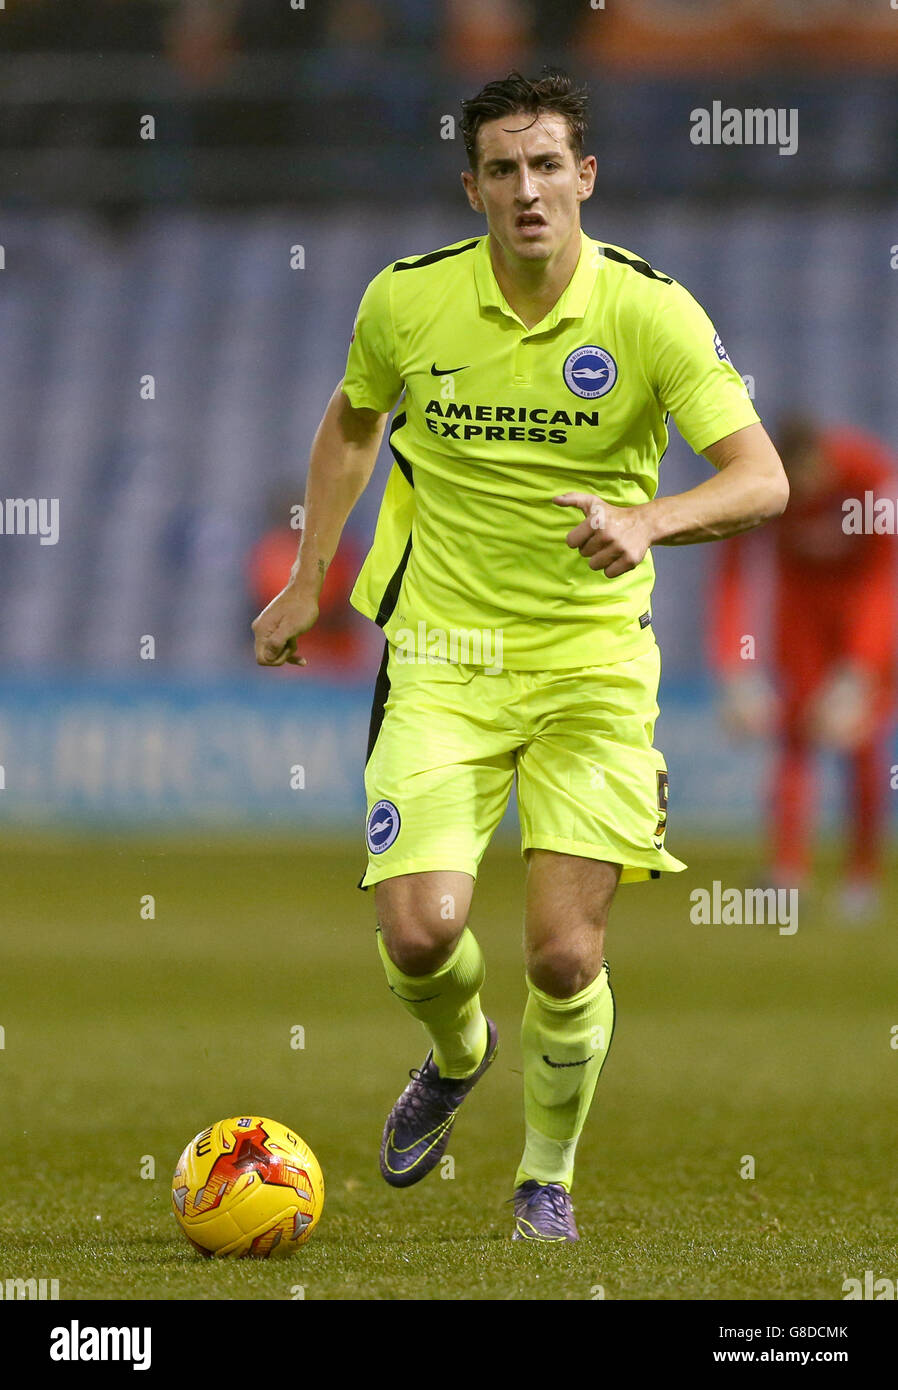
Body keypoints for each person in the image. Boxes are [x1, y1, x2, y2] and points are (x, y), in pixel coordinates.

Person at [252, 69, 788, 1241]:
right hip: (441, 656)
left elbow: (762, 478)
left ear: (584, 177)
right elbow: (353, 421)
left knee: (559, 951)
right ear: (473, 187)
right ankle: (456, 1053)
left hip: (591, 668)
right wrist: (309, 578)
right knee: (423, 932)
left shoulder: (652, 312)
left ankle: (545, 1176)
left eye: (548, 164)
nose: (528, 189)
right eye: (503, 169)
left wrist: (646, 520)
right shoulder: (407, 300)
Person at [710, 416, 897, 921]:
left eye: (809, 481)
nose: (804, 495)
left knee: (861, 741)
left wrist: (859, 670)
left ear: (824, 459)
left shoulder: (870, 473)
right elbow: (732, 574)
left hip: (864, 610)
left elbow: (884, 574)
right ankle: (787, 874)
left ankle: (862, 879)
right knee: (793, 736)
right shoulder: (761, 481)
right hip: (801, 615)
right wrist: (735, 670)